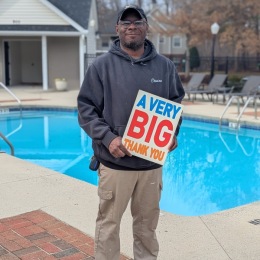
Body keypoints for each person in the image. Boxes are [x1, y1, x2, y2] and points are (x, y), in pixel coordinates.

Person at [77, 5, 185, 260]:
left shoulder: (165, 67)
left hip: (150, 165)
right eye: (126, 23)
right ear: (117, 29)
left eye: (137, 22)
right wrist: (108, 138)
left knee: (147, 228)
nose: (132, 27)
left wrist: (172, 131)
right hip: (115, 164)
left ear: (146, 28)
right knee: (109, 227)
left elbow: (176, 102)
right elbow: (86, 108)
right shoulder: (101, 66)